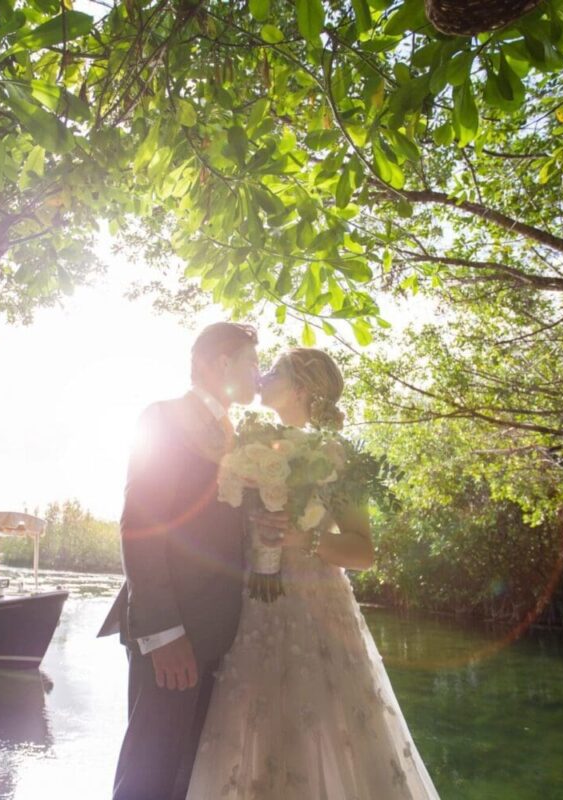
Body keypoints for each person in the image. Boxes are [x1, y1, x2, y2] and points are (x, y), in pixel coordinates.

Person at [185, 348, 440, 799]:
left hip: (316, 613)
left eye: (275, 370)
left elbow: (364, 551)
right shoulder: (243, 443)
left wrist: (307, 541)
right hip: (250, 612)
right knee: (250, 733)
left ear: (301, 389)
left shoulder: (336, 456)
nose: (262, 375)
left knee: (321, 730)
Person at [99, 322, 261, 800]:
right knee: (149, 774)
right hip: (174, 633)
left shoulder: (237, 434)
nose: (258, 374)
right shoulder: (163, 418)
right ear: (221, 364)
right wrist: (164, 631)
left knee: (185, 778)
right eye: (252, 363)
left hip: (216, 631)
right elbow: (140, 524)